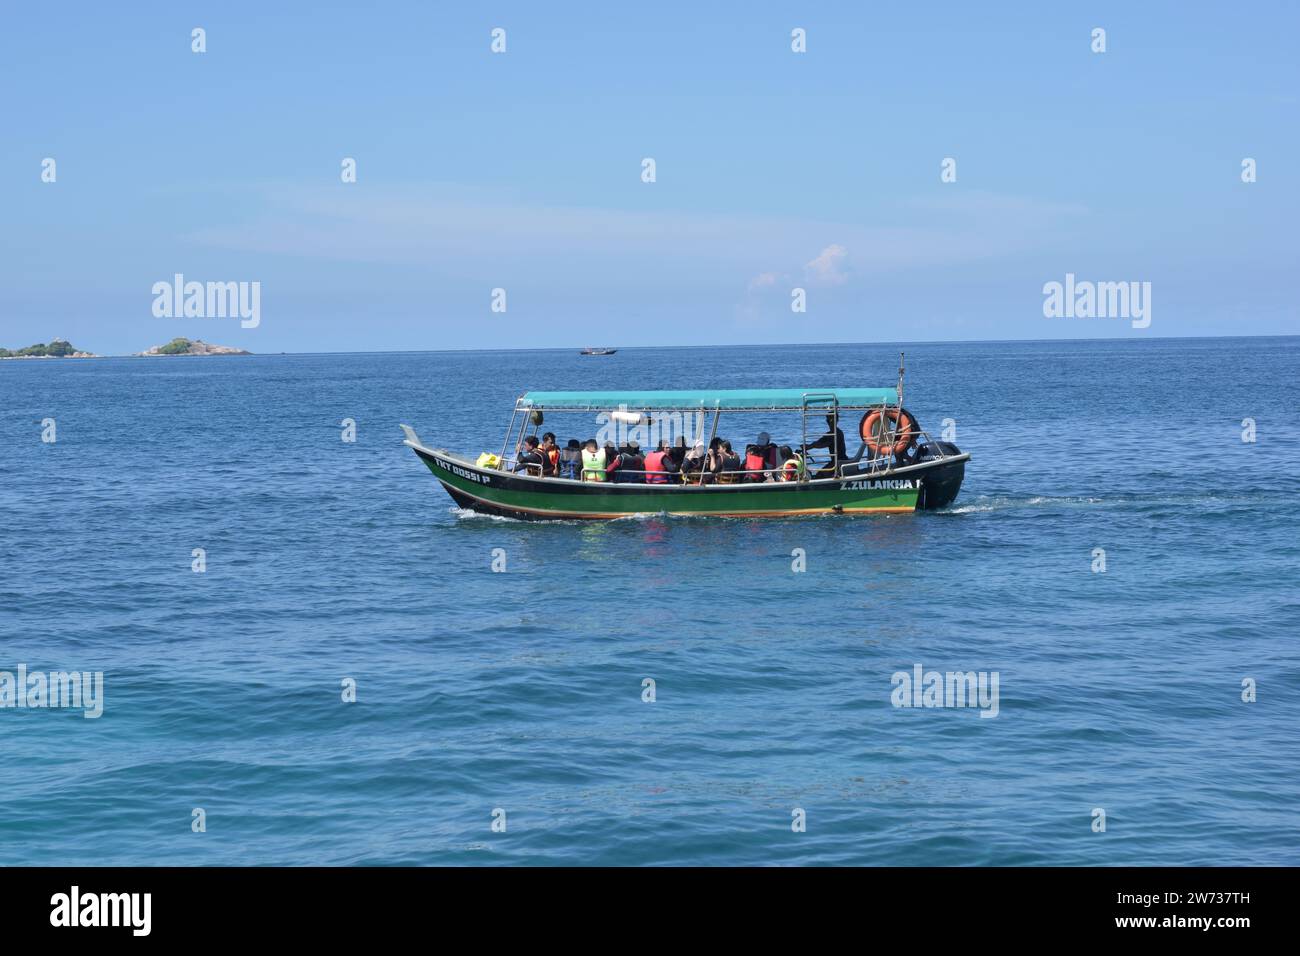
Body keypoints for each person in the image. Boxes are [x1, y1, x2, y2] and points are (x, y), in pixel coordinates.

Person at [805, 413, 847, 477]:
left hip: (839, 462)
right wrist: (808, 446)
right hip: (837, 461)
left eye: (831, 420)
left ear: (837, 420)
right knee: (819, 474)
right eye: (828, 420)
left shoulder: (834, 434)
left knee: (819, 476)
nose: (829, 422)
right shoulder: (835, 432)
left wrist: (809, 446)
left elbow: (821, 444)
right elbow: (820, 442)